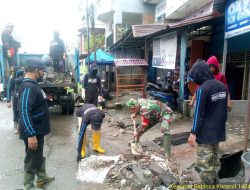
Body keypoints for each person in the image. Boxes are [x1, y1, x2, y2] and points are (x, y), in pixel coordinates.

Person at [187, 59, 228, 185]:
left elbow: (198, 114)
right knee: (215, 163)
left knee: (205, 167)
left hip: (205, 135)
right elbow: (223, 112)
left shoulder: (202, 89)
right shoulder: (222, 87)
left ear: (200, 74)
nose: (195, 81)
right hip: (218, 133)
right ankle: (216, 185)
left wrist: (193, 133)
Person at [18, 58, 55, 189]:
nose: (43, 74)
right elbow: (24, 110)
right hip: (33, 131)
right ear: (35, 71)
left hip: (37, 129)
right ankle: (28, 186)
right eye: (42, 71)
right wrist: (31, 134)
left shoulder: (32, 84)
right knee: (31, 158)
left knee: (38, 155)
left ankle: (41, 177)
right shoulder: (28, 87)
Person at [1, 23, 21, 94]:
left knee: (15, 67)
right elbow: (6, 43)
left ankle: (14, 79)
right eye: (10, 27)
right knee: (13, 68)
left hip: (13, 52)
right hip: (10, 53)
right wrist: (8, 51)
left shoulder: (9, 34)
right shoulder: (5, 34)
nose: (12, 28)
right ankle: (12, 82)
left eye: (12, 27)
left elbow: (13, 42)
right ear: (6, 27)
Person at [6, 67, 25, 134]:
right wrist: (8, 100)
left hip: (17, 97)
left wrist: (8, 101)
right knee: (19, 111)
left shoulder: (15, 79)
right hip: (18, 97)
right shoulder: (13, 79)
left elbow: (9, 89)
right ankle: (17, 127)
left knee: (17, 112)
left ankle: (18, 128)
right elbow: (9, 89)